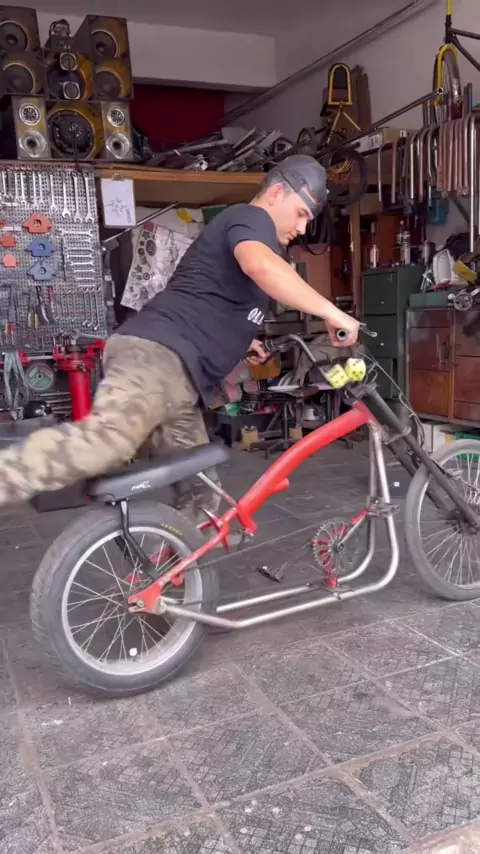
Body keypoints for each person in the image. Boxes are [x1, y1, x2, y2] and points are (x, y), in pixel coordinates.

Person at [0, 155, 359, 521]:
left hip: (176, 378)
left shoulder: (247, 232)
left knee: (200, 491)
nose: (302, 227)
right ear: (277, 193)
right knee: (106, 442)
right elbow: (260, 266)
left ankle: (177, 555)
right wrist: (331, 311)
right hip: (158, 359)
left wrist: (241, 341)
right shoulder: (251, 219)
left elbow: (208, 297)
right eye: (301, 213)